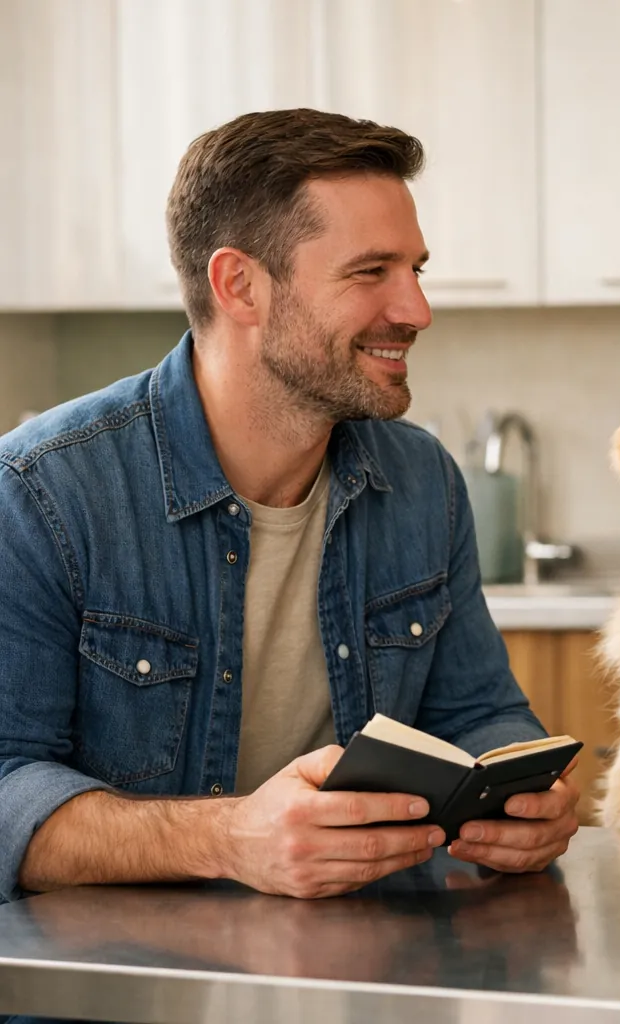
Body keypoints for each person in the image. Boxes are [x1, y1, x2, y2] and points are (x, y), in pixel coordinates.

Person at [0, 109, 578, 904]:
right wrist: (228, 839)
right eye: (371, 272)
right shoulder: (41, 493)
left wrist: (526, 797)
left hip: (365, 952)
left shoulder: (424, 482)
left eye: (416, 269)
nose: (416, 309)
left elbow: (478, 713)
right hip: (126, 968)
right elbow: (7, 788)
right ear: (240, 286)